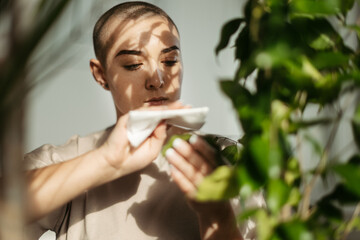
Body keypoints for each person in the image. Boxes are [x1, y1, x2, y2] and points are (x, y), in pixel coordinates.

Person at [24, 2, 261, 239]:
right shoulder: (68, 159)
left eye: (170, 61)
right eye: (134, 64)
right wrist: (106, 162)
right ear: (101, 74)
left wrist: (218, 218)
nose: (157, 79)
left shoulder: (227, 158)